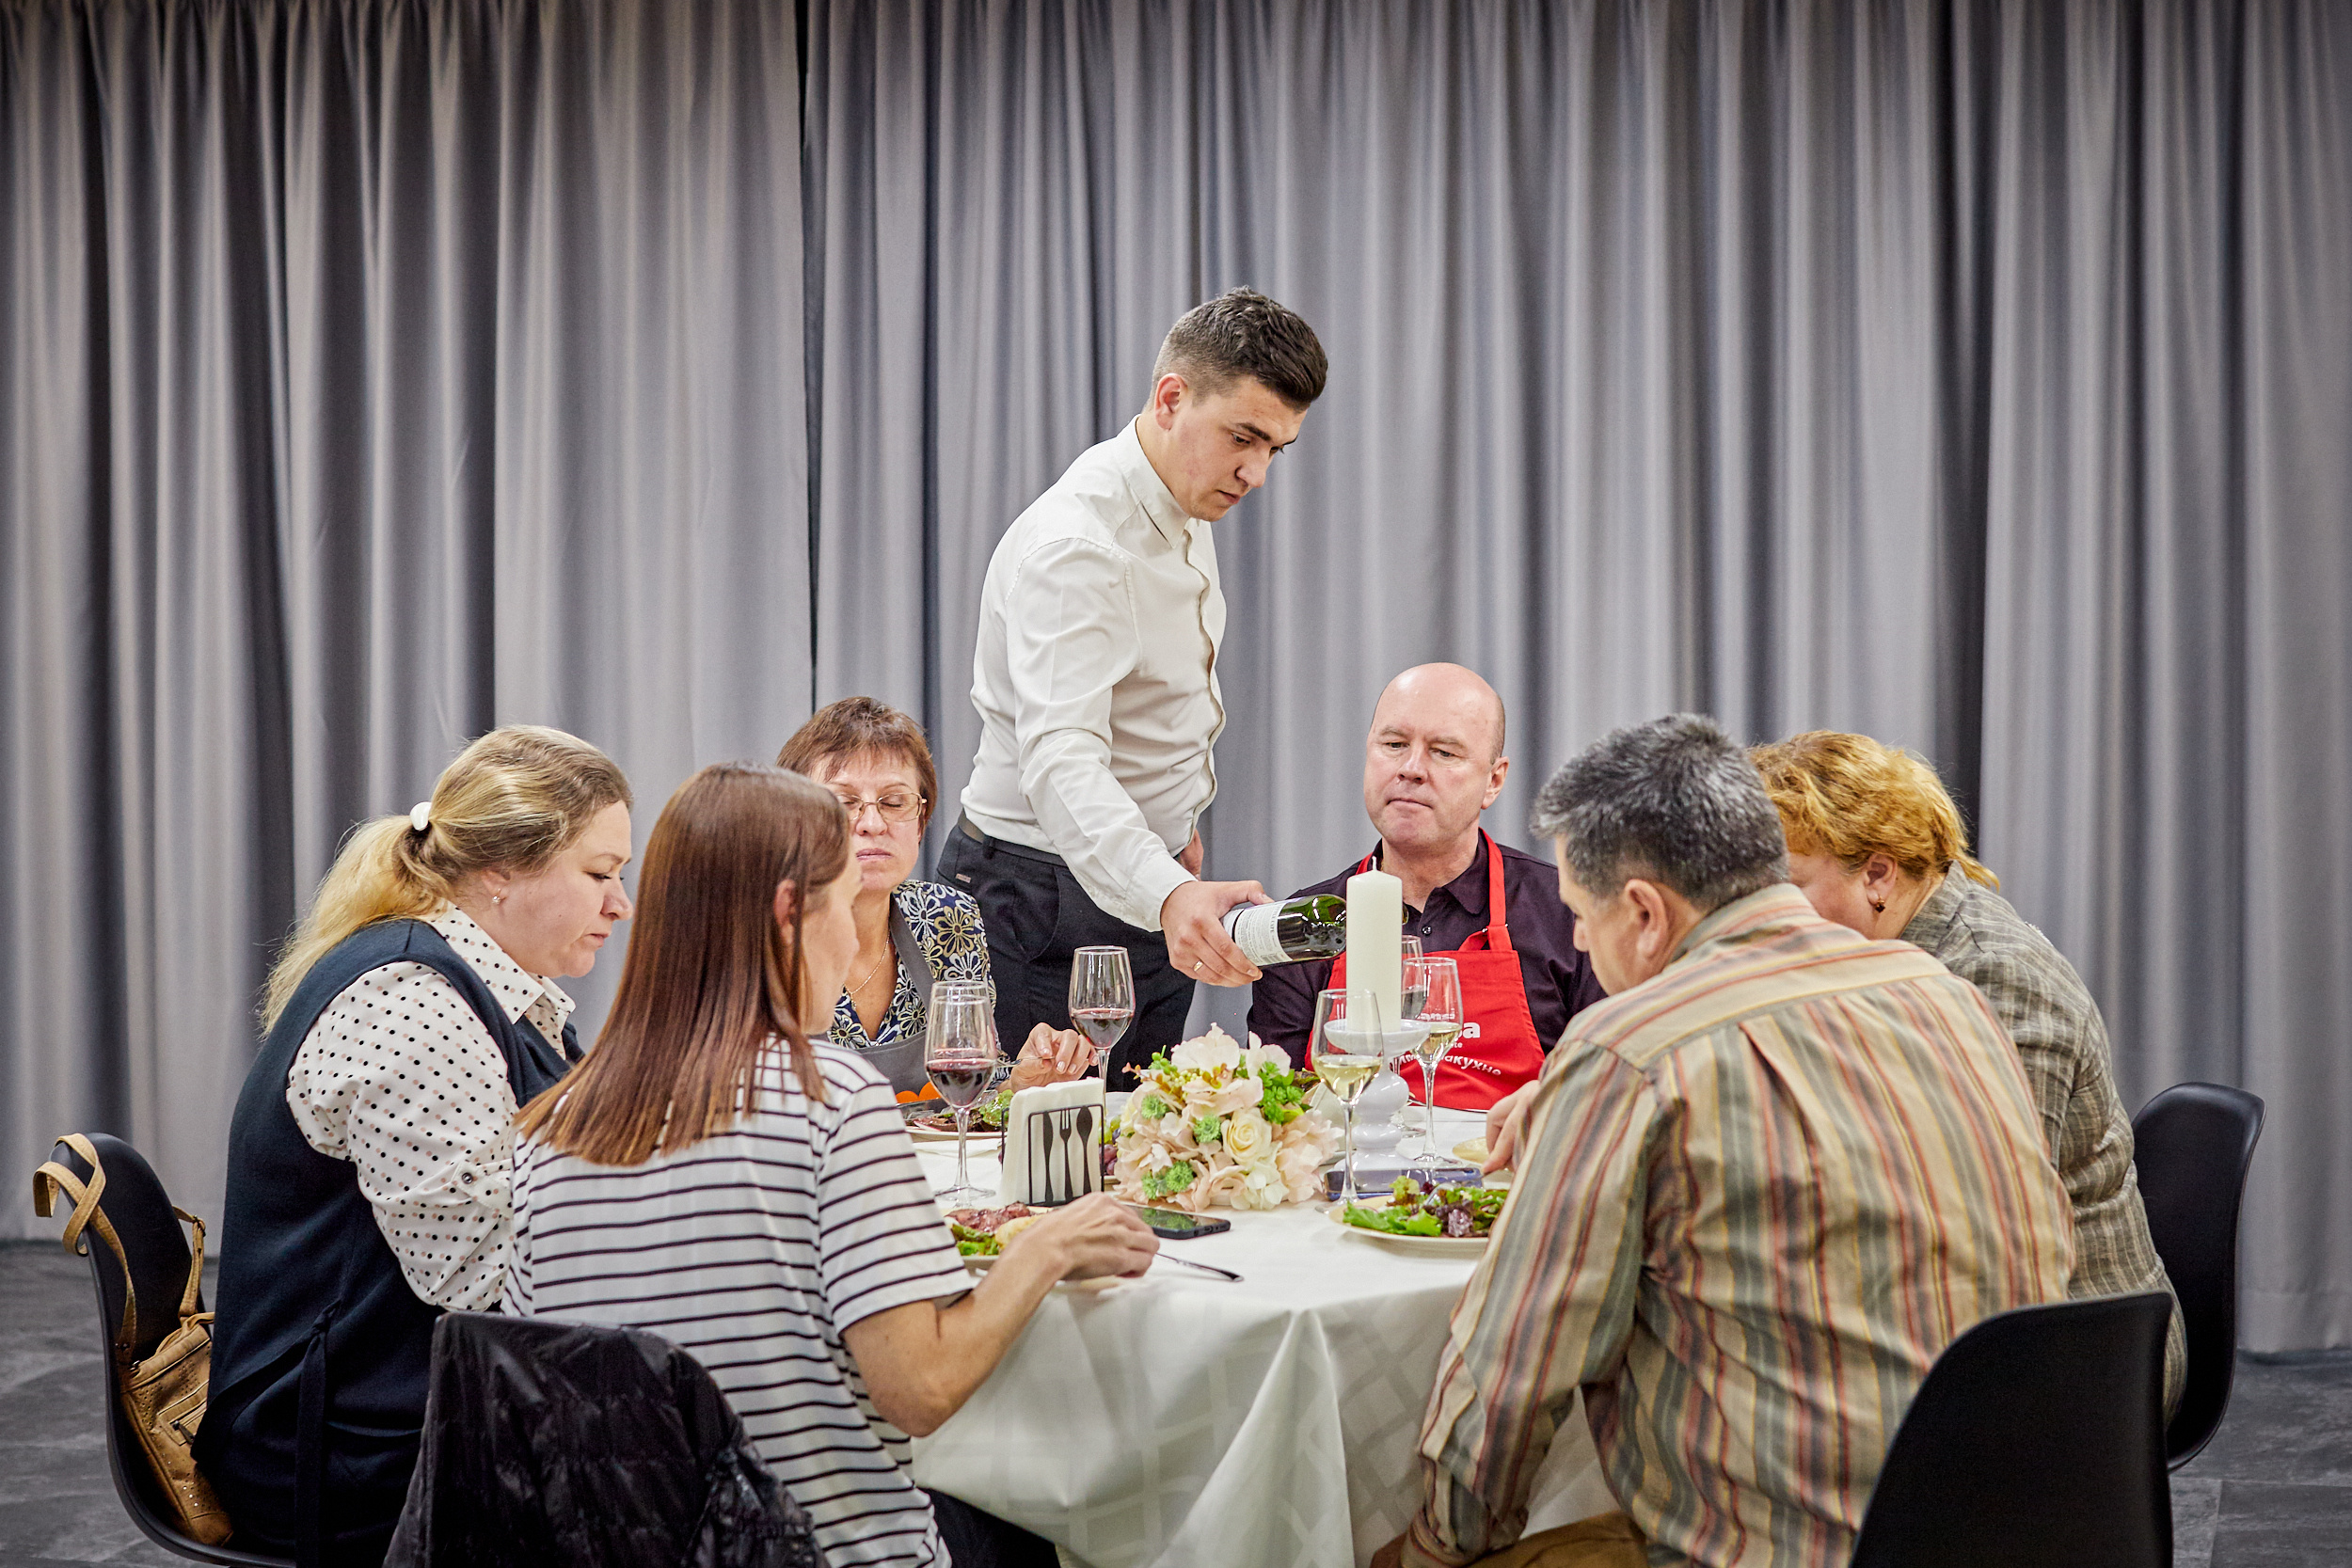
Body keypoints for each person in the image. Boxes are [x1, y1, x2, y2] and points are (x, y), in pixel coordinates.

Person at [1382, 716, 2073, 1568]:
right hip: (2018, 1523)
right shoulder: (1944, 992)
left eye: (1580, 918)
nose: (1584, 944)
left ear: (1642, 912)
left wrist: (1430, 1545)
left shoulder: (1628, 1050)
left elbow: (1509, 1382)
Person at [505, 763, 1157, 1568]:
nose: (853, 935)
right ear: (790, 912)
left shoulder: (544, 1130)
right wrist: (1048, 1247)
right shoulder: (835, 1101)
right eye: (843, 902)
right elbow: (921, 1390)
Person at [199, 726, 634, 1564]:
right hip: (340, 1448)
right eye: (600, 873)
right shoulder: (412, 1002)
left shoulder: (492, 982)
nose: (622, 904)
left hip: (395, 1404)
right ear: (500, 870)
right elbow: (478, 1275)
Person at [939, 287, 1327, 1082]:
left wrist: (1169, 822)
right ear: (1171, 397)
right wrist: (1163, 890)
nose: (1255, 472)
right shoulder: (1080, 546)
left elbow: (1151, 702)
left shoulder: (1185, 492)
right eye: (1244, 438)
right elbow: (1061, 761)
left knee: (1137, 1158)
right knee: (1039, 1177)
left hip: (1137, 874)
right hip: (1035, 897)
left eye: (1276, 449)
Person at [1750, 727, 2185, 1414]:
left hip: (2086, 1354)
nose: (1762, 918)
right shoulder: (1869, 953)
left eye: (1785, 888)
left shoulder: (1994, 974)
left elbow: (1990, 1232)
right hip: (1970, 1313)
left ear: (1878, 874)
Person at [1247, 664, 1606, 1105]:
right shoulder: (1304, 925)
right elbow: (1279, 1106)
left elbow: (1604, 1091)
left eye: (1444, 752)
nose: (1411, 769)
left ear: (1493, 781)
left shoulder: (1569, 911)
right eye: (1394, 745)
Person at [778, 697, 1092, 1099]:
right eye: (844, 803)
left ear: (921, 823)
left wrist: (1018, 1084)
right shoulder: (771, 934)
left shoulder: (948, 917)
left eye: (893, 802)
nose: (872, 823)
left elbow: (973, 1096)